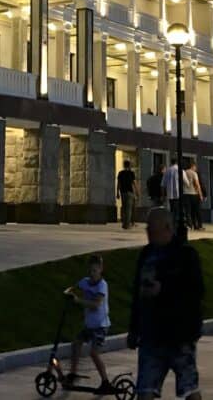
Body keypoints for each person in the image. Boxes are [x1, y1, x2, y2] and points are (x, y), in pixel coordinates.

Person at [128, 208, 204, 400]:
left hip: (179, 336)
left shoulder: (186, 255)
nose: (148, 233)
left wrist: (164, 289)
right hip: (151, 336)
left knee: (189, 388)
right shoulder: (146, 255)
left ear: (168, 228)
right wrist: (133, 329)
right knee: (145, 390)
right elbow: (138, 294)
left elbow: (195, 291)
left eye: (153, 230)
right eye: (147, 229)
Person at [64, 254, 113, 395]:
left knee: (93, 353)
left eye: (95, 271)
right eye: (90, 271)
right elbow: (72, 288)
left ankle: (105, 382)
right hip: (89, 325)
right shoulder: (85, 282)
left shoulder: (102, 285)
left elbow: (96, 305)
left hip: (101, 326)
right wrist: (68, 292)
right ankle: (72, 374)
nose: (92, 274)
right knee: (76, 344)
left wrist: (77, 300)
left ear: (101, 270)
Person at [183, 160, 205, 231]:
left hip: (186, 194)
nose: (196, 168)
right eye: (195, 167)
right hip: (194, 194)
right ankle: (199, 226)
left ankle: (190, 225)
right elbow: (197, 184)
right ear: (193, 166)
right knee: (197, 210)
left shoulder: (184, 172)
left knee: (188, 211)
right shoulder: (194, 173)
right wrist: (201, 194)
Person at [117, 161, 139, 230]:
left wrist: (117, 193)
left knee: (124, 208)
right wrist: (137, 192)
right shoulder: (131, 173)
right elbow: (134, 183)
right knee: (129, 209)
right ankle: (127, 225)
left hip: (122, 192)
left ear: (124, 165)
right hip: (130, 192)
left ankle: (124, 224)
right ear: (129, 166)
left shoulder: (120, 173)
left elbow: (119, 183)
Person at [162, 158, 182, 231]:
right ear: (177, 162)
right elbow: (187, 182)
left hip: (170, 194)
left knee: (172, 209)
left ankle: (172, 224)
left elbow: (163, 184)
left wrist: (163, 195)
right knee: (178, 210)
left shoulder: (167, 171)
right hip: (178, 194)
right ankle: (176, 225)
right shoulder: (180, 170)